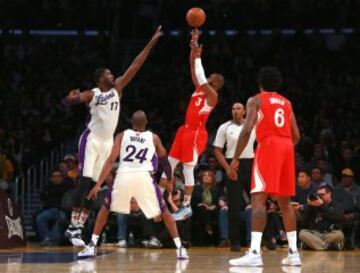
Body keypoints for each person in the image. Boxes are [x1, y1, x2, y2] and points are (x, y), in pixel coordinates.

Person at [62, 26, 162, 246]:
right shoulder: (94, 93)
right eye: (107, 73)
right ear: (100, 79)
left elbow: (136, 64)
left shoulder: (117, 88)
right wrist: (70, 99)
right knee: (85, 181)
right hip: (91, 139)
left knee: (96, 186)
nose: (112, 74)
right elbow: (72, 101)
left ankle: (78, 228)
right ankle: (72, 226)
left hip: (108, 142)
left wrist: (152, 41)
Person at [78, 111, 188, 259]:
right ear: (146, 122)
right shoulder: (154, 137)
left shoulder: (122, 135)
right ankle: (179, 247)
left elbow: (111, 160)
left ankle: (92, 245)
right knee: (164, 211)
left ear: (131, 122)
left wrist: (98, 184)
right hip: (144, 176)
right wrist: (169, 179)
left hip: (124, 175)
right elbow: (164, 161)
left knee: (105, 209)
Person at [229, 66, 301, 267]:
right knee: (285, 203)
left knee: (258, 199)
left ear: (260, 83)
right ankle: (294, 253)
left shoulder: (256, 99)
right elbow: (296, 136)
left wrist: (235, 158)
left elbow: (247, 129)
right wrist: (283, 148)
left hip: (269, 145)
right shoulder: (287, 103)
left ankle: (254, 252)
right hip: (287, 146)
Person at [160, 29, 224, 214]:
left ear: (216, 82)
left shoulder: (212, 95)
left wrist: (197, 54)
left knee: (188, 168)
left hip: (197, 132)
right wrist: (193, 49)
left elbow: (200, 74)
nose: (208, 77)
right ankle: (159, 197)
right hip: (184, 130)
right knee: (169, 165)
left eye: (212, 77)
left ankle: (186, 206)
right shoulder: (200, 89)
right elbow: (193, 69)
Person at [213, 102, 255, 251]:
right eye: (233, 108)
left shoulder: (252, 125)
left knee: (258, 203)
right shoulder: (224, 127)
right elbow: (217, 150)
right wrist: (227, 168)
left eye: (238, 108)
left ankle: (260, 241)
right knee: (234, 205)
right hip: (231, 164)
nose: (235, 110)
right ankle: (235, 242)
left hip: (250, 163)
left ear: (244, 111)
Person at [299, 183, 345, 250]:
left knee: (340, 235)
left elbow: (338, 217)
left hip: (330, 233)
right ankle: (329, 247)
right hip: (315, 233)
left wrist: (322, 205)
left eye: (322, 195)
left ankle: (312, 245)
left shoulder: (337, 204)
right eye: (318, 195)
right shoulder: (314, 205)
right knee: (302, 233)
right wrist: (310, 206)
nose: (319, 197)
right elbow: (304, 222)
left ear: (329, 194)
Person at [35, 169, 71, 246]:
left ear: (62, 178)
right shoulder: (47, 187)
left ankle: (48, 240)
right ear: (50, 178)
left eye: (58, 176)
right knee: (40, 218)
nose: (56, 178)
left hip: (62, 210)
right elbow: (42, 197)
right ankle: (47, 239)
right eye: (54, 176)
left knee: (61, 220)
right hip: (49, 209)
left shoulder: (67, 187)